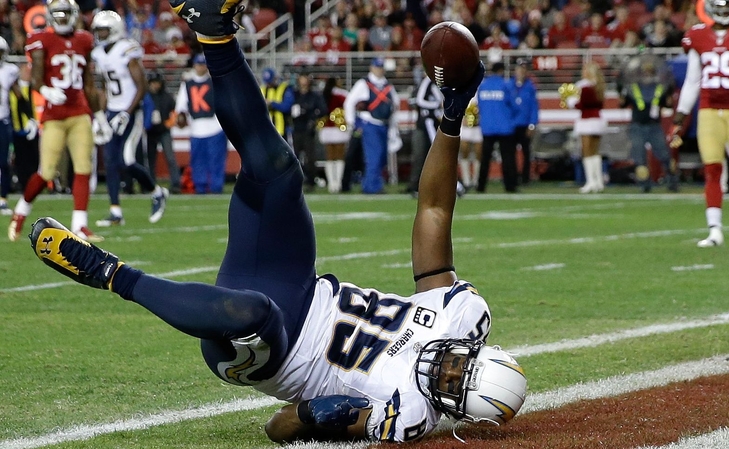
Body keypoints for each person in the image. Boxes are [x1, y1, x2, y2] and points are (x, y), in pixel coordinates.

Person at [28, 0, 527, 443]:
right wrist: (452, 116)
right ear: (477, 348)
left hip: (270, 352)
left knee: (254, 314)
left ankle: (108, 273)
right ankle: (214, 34)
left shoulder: (409, 417)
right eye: (462, 365)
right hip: (300, 286)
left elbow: (277, 428)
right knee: (280, 171)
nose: (447, 370)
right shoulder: (461, 317)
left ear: (457, 412)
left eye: (452, 386)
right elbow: (435, 210)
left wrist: (314, 416)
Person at [669, 0, 729, 247]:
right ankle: (715, 230)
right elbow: (692, 81)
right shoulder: (698, 35)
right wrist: (680, 115)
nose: (724, 12)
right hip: (709, 110)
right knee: (712, 168)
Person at [8, 0, 106, 242]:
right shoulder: (42, 39)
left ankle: (80, 225)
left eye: (66, 15)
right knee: (47, 172)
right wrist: (46, 90)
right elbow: (37, 76)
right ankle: (21, 212)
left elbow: (89, 82)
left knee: (83, 167)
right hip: (53, 115)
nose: (62, 19)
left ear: (74, 16)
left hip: (79, 112)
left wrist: (100, 115)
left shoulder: (84, 40)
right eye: (58, 15)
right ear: (51, 16)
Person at [90, 11, 168, 227]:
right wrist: (101, 116)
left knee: (127, 160)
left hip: (132, 111)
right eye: (98, 30)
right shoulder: (99, 53)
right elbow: (105, 87)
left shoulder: (126, 49)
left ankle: (157, 191)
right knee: (111, 160)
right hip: (112, 111)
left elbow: (141, 86)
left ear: (114, 30)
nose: (100, 34)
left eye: (103, 30)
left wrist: (127, 112)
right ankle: (115, 212)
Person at [619, 55, 678, 192]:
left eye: (649, 71)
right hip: (637, 125)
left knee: (664, 155)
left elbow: (668, 105)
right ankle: (644, 183)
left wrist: (669, 95)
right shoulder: (633, 87)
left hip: (654, 125)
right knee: (639, 157)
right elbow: (622, 103)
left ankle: (672, 180)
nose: (647, 74)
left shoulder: (659, 88)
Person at [343, 57, 399, 194]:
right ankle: (371, 186)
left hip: (384, 124)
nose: (379, 70)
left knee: (381, 157)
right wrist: (352, 123)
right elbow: (349, 102)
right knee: (373, 156)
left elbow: (395, 105)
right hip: (369, 123)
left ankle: (373, 183)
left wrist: (393, 127)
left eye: (381, 67)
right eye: (377, 67)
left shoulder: (387, 85)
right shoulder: (364, 84)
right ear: (371, 68)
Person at [175, 54, 228, 194]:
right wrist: (180, 118)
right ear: (194, 65)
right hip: (196, 128)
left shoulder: (215, 82)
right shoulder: (187, 84)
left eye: (203, 64)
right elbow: (181, 108)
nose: (201, 67)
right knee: (198, 162)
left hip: (215, 126)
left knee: (216, 161)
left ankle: (216, 187)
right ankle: (200, 187)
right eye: (199, 64)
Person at [565, 62, 607, 194]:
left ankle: (591, 182)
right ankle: (598, 181)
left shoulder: (585, 87)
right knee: (595, 152)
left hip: (587, 121)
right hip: (598, 120)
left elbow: (581, 105)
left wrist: (570, 102)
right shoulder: (599, 86)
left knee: (587, 152)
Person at [476, 62, 517, 193]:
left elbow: (480, 106)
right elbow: (514, 105)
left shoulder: (483, 86)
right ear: (501, 71)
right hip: (505, 127)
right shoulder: (506, 85)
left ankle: (481, 186)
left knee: (485, 159)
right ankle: (510, 186)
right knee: (508, 158)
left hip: (487, 127)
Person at [0, 37, 28, 215]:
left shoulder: (9, 71)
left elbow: (18, 96)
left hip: (2, 121)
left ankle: (2, 199)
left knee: (3, 162)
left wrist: (30, 117)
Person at [143, 70, 181, 194]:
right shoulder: (145, 96)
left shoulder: (167, 97)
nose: (155, 85)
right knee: (150, 160)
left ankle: (176, 183)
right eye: (153, 83)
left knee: (170, 157)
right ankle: (149, 183)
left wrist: (168, 124)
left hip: (164, 130)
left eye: (157, 82)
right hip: (149, 131)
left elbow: (175, 113)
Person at [407, 74, 443, 196]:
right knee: (421, 156)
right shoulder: (427, 81)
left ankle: (433, 185)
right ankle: (415, 186)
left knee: (432, 156)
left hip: (433, 123)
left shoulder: (437, 83)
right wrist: (437, 104)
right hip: (424, 124)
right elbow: (419, 101)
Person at [9, 62, 40, 203]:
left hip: (34, 129)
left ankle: (32, 187)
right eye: (26, 71)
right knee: (20, 160)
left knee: (34, 159)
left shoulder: (35, 88)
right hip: (16, 129)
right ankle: (22, 185)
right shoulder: (13, 88)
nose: (28, 73)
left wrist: (35, 122)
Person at [291, 73, 326, 192]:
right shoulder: (294, 94)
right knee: (294, 156)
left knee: (310, 157)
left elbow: (323, 110)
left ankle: (311, 181)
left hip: (308, 129)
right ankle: (296, 181)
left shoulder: (314, 95)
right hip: (296, 128)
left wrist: (311, 116)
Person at [510, 60, 539, 186]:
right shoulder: (509, 86)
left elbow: (534, 107)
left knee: (526, 152)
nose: (521, 72)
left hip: (525, 124)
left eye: (523, 70)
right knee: (510, 153)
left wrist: (532, 124)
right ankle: (513, 177)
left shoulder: (530, 87)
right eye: (519, 70)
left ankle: (526, 177)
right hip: (511, 125)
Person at [319, 76, 349, 193]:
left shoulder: (323, 94)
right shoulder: (342, 94)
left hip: (326, 127)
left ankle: (332, 184)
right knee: (340, 156)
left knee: (330, 156)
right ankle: (338, 183)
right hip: (338, 127)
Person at [261, 68, 295, 142]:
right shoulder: (262, 89)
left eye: (270, 82)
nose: (268, 84)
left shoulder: (285, 88)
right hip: (266, 130)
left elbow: (287, 107)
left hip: (282, 129)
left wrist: (272, 103)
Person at [459, 96, 482, 190]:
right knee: (464, 151)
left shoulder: (481, 88)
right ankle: (466, 180)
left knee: (479, 152)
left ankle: (476, 180)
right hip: (465, 126)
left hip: (478, 125)